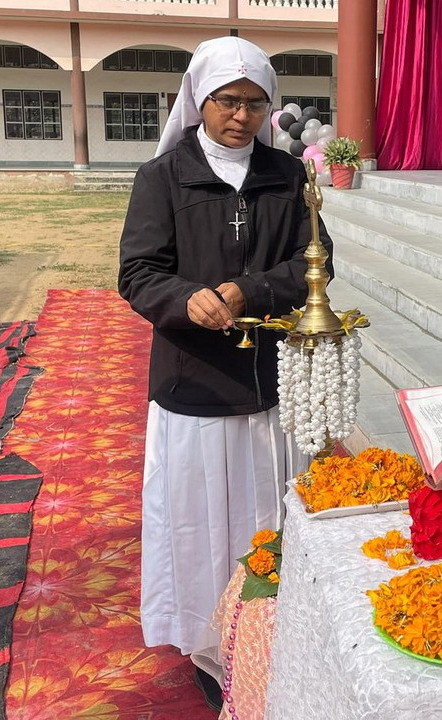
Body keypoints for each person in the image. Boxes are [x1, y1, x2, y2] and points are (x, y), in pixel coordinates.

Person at [117, 36, 328, 710]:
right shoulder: (163, 177)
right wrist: (186, 300)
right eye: (227, 101)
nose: (241, 116)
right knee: (200, 526)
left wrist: (248, 291)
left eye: (255, 104)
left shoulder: (286, 174)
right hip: (195, 382)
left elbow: (314, 263)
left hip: (270, 382)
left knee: (268, 516)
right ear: (199, 100)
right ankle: (212, 647)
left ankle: (272, 633)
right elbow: (138, 273)